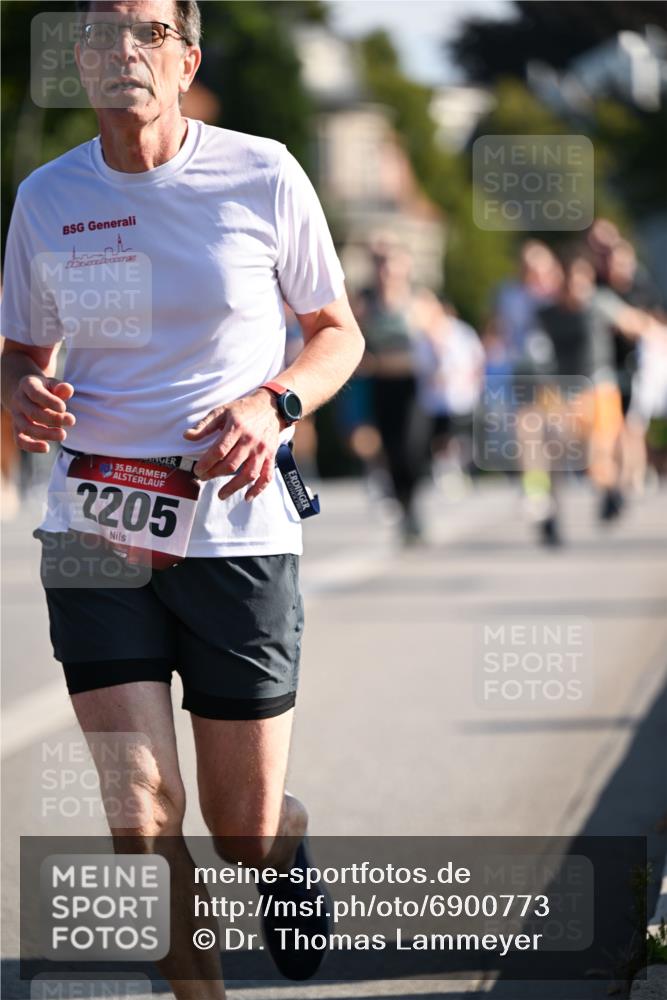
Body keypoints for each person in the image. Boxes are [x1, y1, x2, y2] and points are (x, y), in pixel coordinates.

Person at [0, 2, 365, 997]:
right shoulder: (46, 196)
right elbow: (22, 349)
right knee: (141, 815)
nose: (123, 50)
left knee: (239, 829)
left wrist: (273, 402)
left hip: (237, 527)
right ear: (79, 60)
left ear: (187, 58)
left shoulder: (262, 173)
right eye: (102, 34)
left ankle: (282, 844)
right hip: (93, 525)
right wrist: (21, 388)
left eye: (149, 32)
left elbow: (336, 331)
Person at [355, 239, 430, 543]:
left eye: (392, 263)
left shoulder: (418, 300)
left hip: (413, 385)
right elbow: (350, 339)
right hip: (380, 384)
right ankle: (405, 510)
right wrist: (364, 360)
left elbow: (439, 340)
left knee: (413, 448)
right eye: (381, 263)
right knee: (391, 450)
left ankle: (412, 503)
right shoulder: (365, 302)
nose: (387, 270)